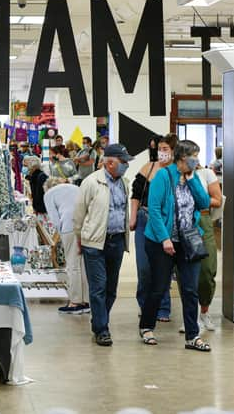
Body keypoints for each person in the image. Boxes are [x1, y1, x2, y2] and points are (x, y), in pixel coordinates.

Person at [140, 140, 212, 351]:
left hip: (188, 241)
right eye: (193, 157)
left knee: (190, 289)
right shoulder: (163, 175)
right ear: (181, 158)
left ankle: (192, 335)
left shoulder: (194, 176)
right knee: (159, 286)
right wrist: (164, 238)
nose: (196, 161)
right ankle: (146, 327)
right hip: (161, 241)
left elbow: (204, 203)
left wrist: (192, 180)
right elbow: (153, 209)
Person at [74, 144, 133, 347]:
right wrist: (79, 239)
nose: (126, 165)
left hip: (116, 240)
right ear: (110, 162)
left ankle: (99, 320)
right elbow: (79, 214)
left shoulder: (125, 183)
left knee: (111, 289)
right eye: (123, 162)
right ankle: (102, 329)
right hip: (94, 242)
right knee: (98, 287)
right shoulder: (91, 182)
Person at [130, 134, 177, 322]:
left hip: (167, 221)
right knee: (144, 267)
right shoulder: (148, 168)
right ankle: (144, 303)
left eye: (165, 149)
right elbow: (135, 194)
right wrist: (133, 217)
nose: (160, 153)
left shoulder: (177, 172)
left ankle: (163, 306)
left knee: (163, 266)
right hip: (145, 218)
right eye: (159, 149)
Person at [44, 177, 89, 314]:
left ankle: (75, 302)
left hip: (69, 227)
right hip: (86, 225)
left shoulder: (49, 194)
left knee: (72, 265)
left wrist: (60, 235)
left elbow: (55, 218)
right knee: (83, 264)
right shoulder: (75, 188)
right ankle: (86, 300)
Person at [193, 159, 223, 332]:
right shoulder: (175, 174)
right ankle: (189, 316)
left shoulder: (206, 173)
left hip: (203, 220)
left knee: (207, 270)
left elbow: (217, 200)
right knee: (184, 272)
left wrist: (198, 197)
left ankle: (204, 311)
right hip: (182, 221)